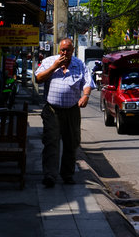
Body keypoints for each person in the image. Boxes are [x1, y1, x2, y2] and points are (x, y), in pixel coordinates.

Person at [35, 38, 94, 187]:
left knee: (72, 143)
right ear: (58, 50)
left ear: (72, 51)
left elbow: (87, 82)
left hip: (72, 111)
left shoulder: (79, 64)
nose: (64, 53)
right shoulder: (49, 61)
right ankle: (49, 175)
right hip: (52, 110)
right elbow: (38, 78)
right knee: (51, 142)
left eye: (68, 50)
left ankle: (67, 175)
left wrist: (86, 96)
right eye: (62, 50)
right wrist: (54, 66)